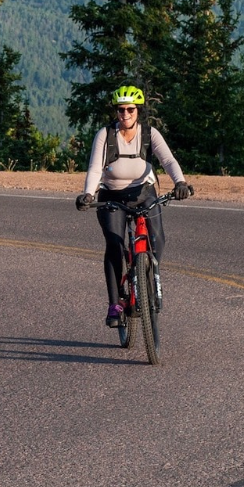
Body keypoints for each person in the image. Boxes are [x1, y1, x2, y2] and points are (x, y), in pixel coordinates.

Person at [75, 85, 192, 328]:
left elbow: (168, 160)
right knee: (115, 245)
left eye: (130, 109)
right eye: (121, 110)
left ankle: (146, 275)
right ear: (116, 111)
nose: (125, 114)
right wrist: (88, 194)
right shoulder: (105, 135)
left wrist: (180, 182)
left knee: (158, 238)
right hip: (112, 196)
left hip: (144, 193)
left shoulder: (149, 133)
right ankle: (115, 304)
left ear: (138, 111)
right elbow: (95, 168)